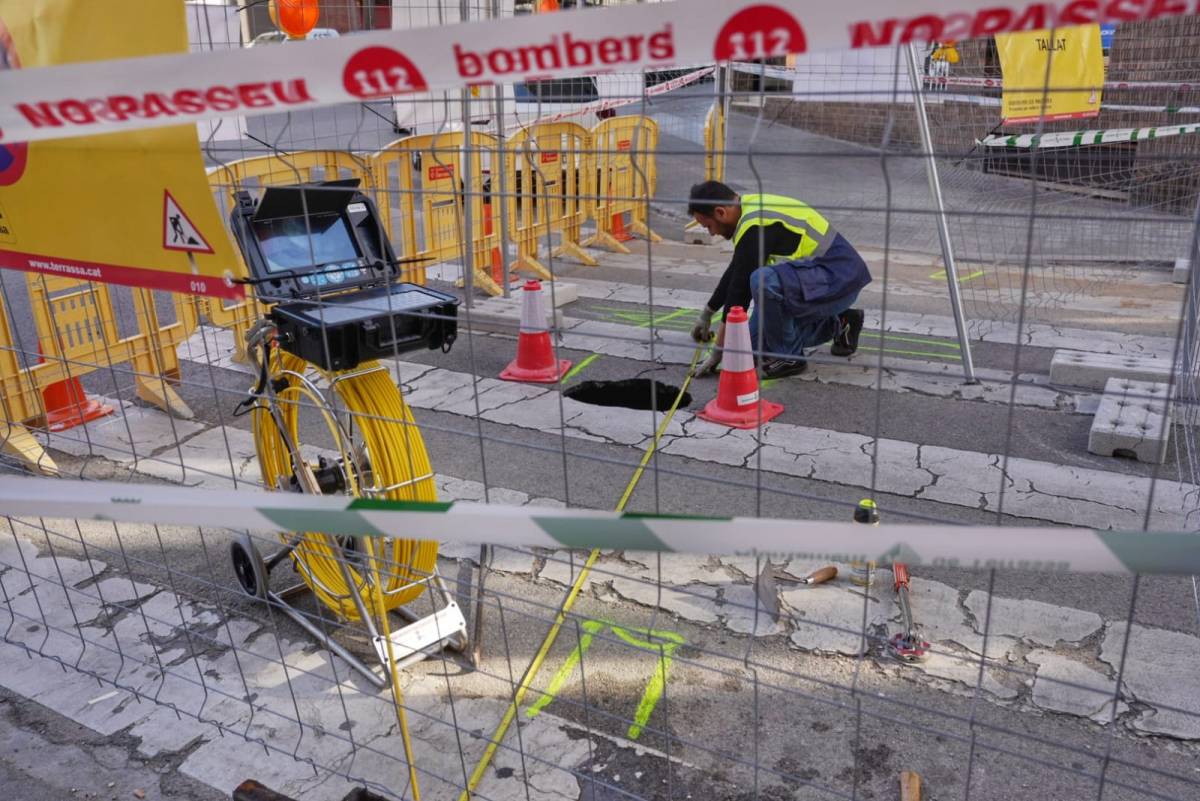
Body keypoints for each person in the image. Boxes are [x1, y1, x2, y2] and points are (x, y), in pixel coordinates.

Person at [687, 181, 871, 379]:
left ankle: (789, 357)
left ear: (721, 212)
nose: (712, 233)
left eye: (709, 226)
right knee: (749, 349)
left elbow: (739, 293)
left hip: (839, 281)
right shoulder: (748, 209)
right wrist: (707, 313)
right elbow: (736, 270)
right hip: (824, 283)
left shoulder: (755, 225)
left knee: (763, 280)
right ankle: (841, 322)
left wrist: (719, 350)